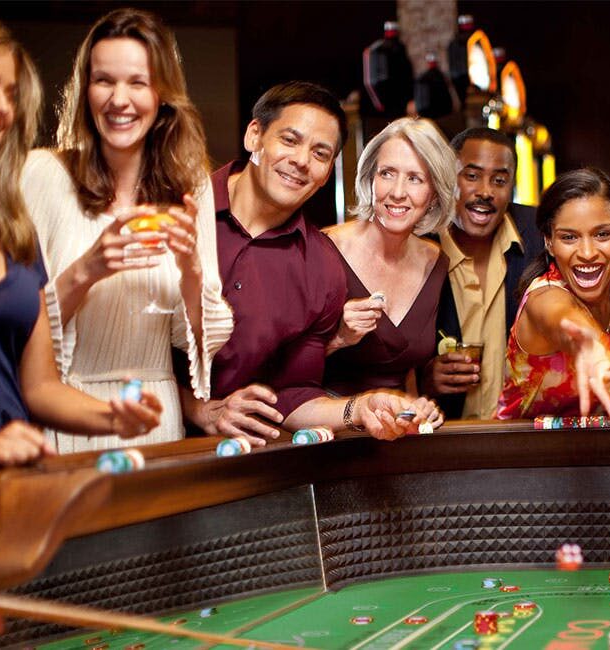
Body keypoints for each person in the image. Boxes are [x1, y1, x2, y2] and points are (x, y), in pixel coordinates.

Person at [0, 11, 161, 623]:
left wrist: (114, 416)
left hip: (12, 510)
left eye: (8, 91)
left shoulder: (8, 222)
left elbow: (38, 387)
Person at [20, 9, 233, 453]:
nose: (120, 99)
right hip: (66, 418)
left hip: (155, 421)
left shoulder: (190, 183)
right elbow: (15, 328)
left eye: (138, 82)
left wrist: (192, 267)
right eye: (104, 81)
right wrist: (88, 269)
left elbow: (202, 343)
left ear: (162, 95)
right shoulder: (43, 174)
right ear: (85, 90)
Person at [179, 83, 430, 446]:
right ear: (255, 136)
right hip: (148, 438)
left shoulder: (323, 268)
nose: (301, 161)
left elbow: (293, 393)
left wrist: (358, 408)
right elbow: (129, 344)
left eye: (320, 153)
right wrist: (201, 410)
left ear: (328, 171)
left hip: (246, 462)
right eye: (290, 140)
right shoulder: (178, 211)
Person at [496, 167, 610, 419]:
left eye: (602, 234)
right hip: (524, 454)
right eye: (569, 237)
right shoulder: (543, 296)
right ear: (549, 242)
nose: (587, 252)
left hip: (606, 452)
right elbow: (562, 318)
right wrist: (590, 348)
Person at [323, 118, 454, 403]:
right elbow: (278, 370)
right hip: (325, 431)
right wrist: (339, 338)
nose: (397, 192)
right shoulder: (324, 249)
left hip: (396, 431)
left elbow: (406, 372)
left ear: (434, 194)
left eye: (415, 178)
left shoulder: (435, 261)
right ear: (370, 179)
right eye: (387, 173)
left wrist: (418, 407)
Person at [421, 127, 543, 420]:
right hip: (442, 438)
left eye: (499, 180)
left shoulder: (539, 236)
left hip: (522, 435)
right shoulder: (418, 244)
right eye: (472, 176)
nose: (485, 192)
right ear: (447, 178)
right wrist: (424, 379)